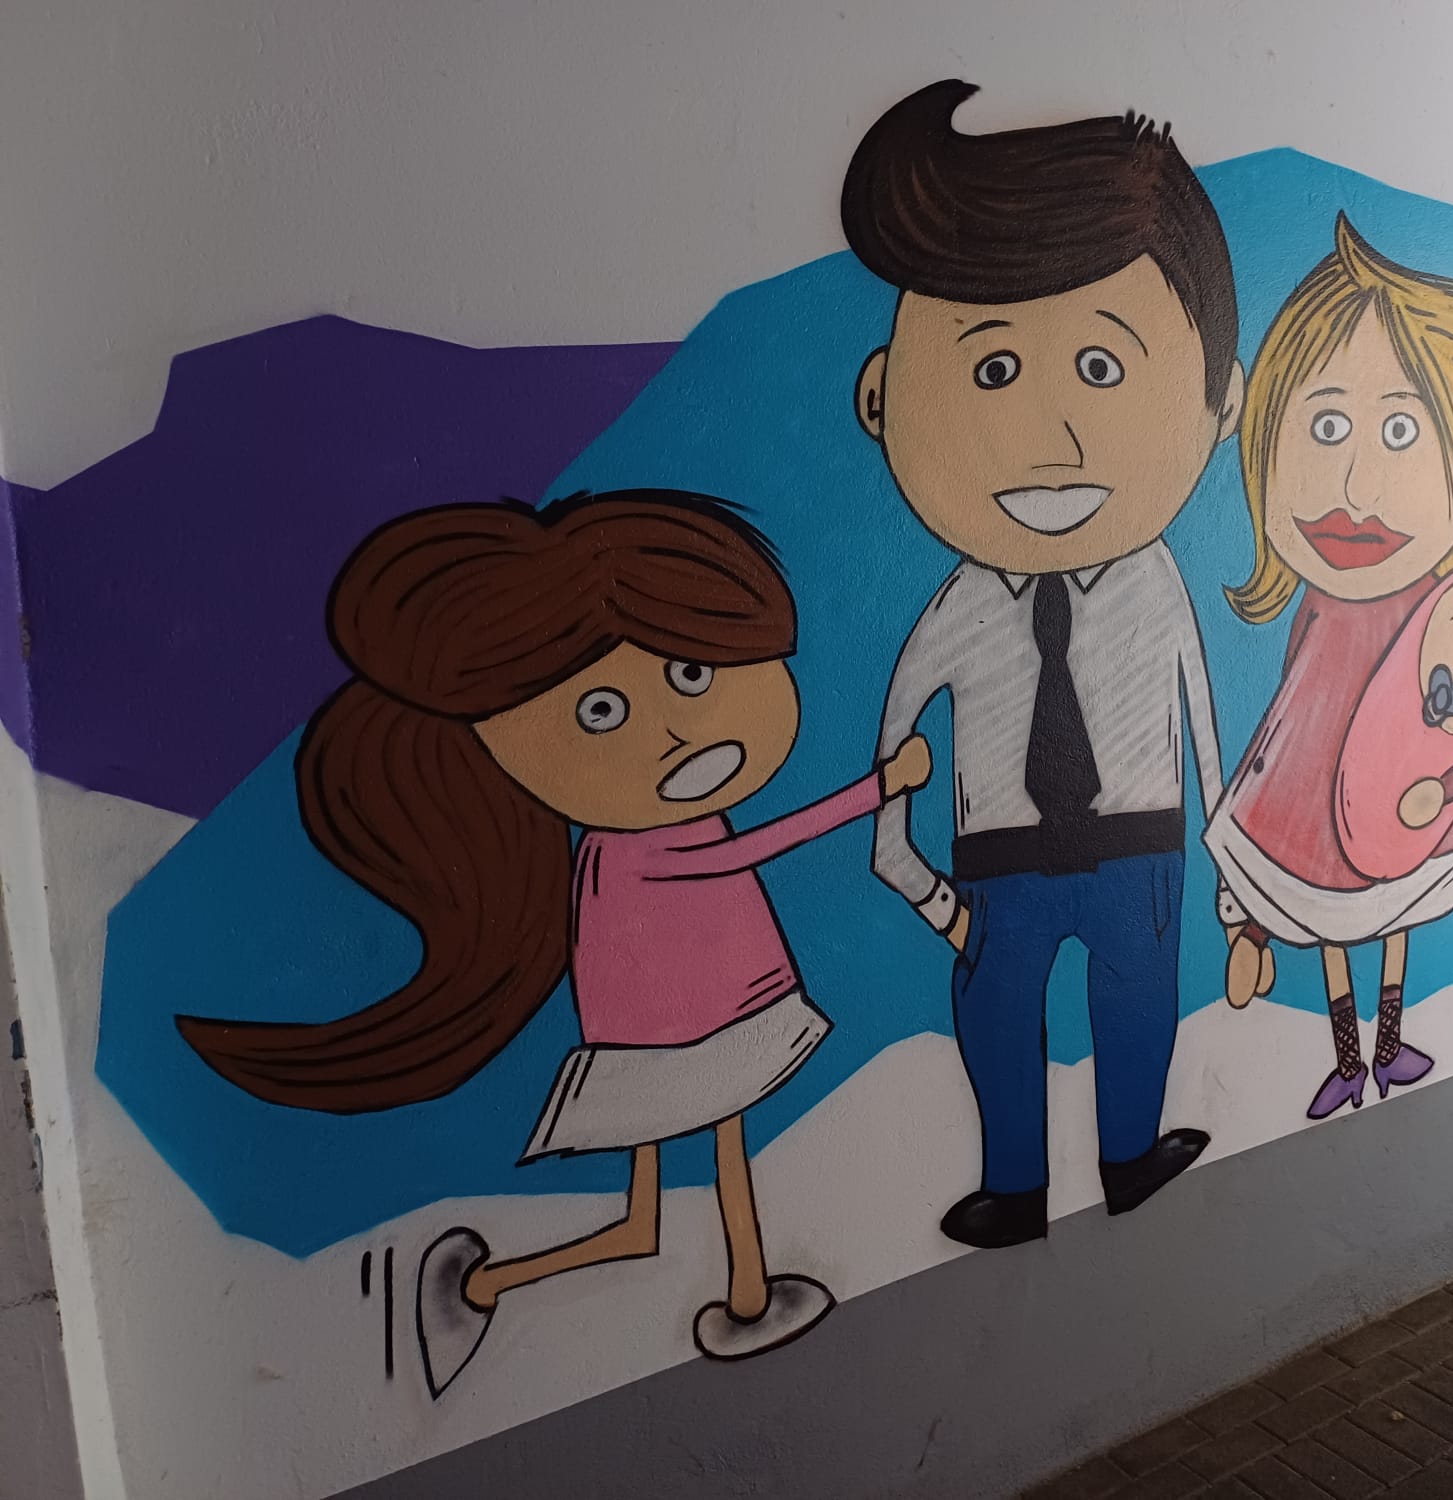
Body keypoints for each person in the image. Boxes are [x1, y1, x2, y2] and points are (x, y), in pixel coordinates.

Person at [176, 490, 930, 1395]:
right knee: (701, 1177)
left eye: (691, 674)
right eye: (601, 711)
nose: (672, 729)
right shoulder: (633, 850)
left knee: (659, 1210)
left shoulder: (646, 834)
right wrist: (878, 787)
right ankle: (666, 1292)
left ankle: (638, 1289)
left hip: (717, 1017)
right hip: (684, 1038)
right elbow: (745, 853)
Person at [844, 80, 1243, 1250]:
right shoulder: (960, 606)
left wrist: (1229, 878)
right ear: (880, 399)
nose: (1054, 439)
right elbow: (889, 756)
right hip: (998, 860)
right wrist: (920, 888)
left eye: (1103, 370)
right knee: (995, 1017)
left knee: (1137, 1006)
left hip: (1140, 843)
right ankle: (1011, 1185)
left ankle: (1129, 1154)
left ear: (1217, 402)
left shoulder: (1157, 582)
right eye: (993, 373)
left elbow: (1201, 722)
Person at [1205, 215, 1453, 1120]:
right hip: (1313, 810)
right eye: (1327, 424)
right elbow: (1291, 716)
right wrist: (1249, 906)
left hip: (1414, 806)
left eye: (1400, 432)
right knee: (1336, 924)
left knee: (1397, 916)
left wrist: (1449, 787)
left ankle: (1387, 1043)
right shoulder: (1318, 610)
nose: (1357, 487)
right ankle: (1349, 1054)